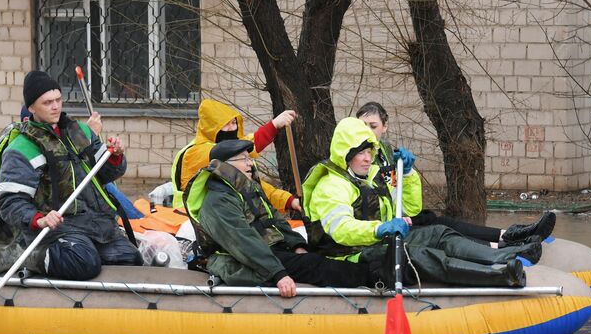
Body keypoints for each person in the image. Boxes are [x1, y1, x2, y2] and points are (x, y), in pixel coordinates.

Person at [301, 117, 540, 288]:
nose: (367, 158)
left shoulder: (371, 176)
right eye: (360, 153)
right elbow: (341, 230)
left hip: (380, 240)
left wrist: (407, 174)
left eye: (369, 152)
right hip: (349, 257)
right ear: (345, 153)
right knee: (420, 255)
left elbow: (411, 209)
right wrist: (379, 229)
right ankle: (501, 277)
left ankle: (506, 255)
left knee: (438, 233)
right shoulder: (330, 186)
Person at [0, 70, 143, 280]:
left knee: (131, 258)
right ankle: (27, 255)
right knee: (83, 262)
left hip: (96, 223)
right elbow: (9, 202)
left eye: (58, 100)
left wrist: (115, 156)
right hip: (58, 229)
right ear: (31, 107)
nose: (55, 106)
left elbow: (109, 173)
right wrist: (39, 219)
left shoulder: (81, 131)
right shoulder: (21, 149)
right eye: (47, 103)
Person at [354, 102, 556, 249]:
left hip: (395, 218)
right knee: (440, 230)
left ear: (385, 126)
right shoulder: (355, 157)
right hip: (380, 226)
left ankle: (508, 235)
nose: (367, 132)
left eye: (373, 126)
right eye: (362, 126)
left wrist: (407, 173)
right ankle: (504, 246)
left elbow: (408, 204)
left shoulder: (386, 153)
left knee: (439, 221)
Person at [185, 138, 370, 296]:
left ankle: (371, 273)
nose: (250, 164)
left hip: (269, 253)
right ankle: (373, 279)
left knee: (314, 258)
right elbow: (243, 242)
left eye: (249, 158)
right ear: (225, 165)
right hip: (240, 262)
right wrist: (278, 273)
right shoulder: (218, 202)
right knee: (316, 266)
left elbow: (275, 221)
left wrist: (297, 245)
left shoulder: (246, 190)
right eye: (244, 159)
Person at [170, 99, 301, 213]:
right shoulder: (197, 153)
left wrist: (289, 201)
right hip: (191, 219)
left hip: (221, 215)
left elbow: (255, 187)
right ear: (211, 128)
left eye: (233, 123)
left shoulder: (227, 153)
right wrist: (273, 126)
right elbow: (234, 150)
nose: (232, 128)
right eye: (225, 125)